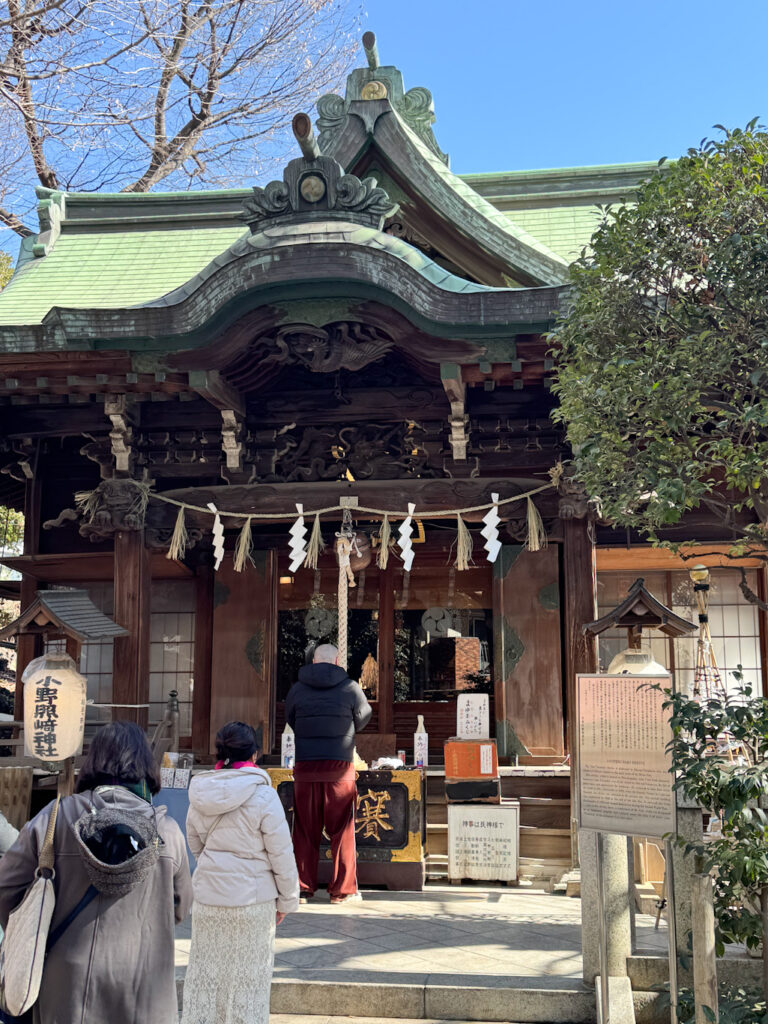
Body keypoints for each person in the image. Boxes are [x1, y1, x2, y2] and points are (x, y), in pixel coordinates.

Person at [0, 720, 192, 1024]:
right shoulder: (167, 832)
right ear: (145, 765)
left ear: (95, 761)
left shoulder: (55, 818)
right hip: (146, 988)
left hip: (66, 988)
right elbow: (180, 907)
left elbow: (7, 886)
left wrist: (33, 927)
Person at [182, 721, 299, 1024]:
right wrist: (287, 900)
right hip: (253, 901)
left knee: (207, 978)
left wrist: (216, 868)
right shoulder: (264, 796)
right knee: (248, 982)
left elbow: (195, 844)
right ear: (256, 754)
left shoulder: (200, 791)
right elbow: (281, 854)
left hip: (209, 900)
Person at [285, 643, 372, 904]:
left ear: (313, 661)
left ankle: (302, 888)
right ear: (336, 661)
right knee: (342, 830)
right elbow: (364, 717)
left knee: (304, 830)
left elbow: (291, 718)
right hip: (339, 767)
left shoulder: (297, 689)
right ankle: (342, 892)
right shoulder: (350, 688)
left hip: (305, 767)